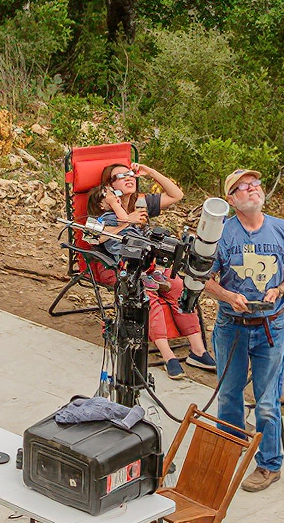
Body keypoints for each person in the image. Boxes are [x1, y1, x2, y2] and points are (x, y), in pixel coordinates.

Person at [203, 169, 284, 493]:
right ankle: (231, 449)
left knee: (267, 401)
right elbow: (203, 279)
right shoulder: (221, 233)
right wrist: (227, 295)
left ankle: (269, 465)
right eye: (244, 187)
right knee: (230, 395)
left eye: (256, 184)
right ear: (232, 199)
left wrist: (279, 289)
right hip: (231, 327)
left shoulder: (281, 229)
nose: (254, 190)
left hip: (270, 327)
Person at [86, 162, 217, 380]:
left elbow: (176, 195)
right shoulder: (103, 216)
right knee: (149, 298)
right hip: (123, 269)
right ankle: (169, 357)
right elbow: (93, 236)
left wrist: (151, 172)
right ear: (109, 187)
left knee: (180, 289)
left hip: (153, 265)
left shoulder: (141, 202)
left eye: (130, 174)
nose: (129, 177)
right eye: (120, 176)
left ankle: (198, 351)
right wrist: (126, 219)